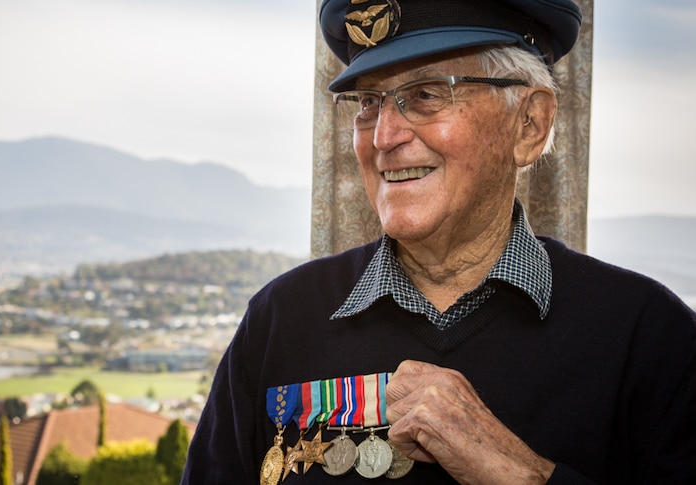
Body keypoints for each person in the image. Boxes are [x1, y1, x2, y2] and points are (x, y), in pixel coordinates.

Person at [181, 0, 696, 483]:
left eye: (425, 94)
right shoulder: (281, 320)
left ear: (530, 124)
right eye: (368, 102)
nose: (383, 136)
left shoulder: (649, 338)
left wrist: (519, 473)